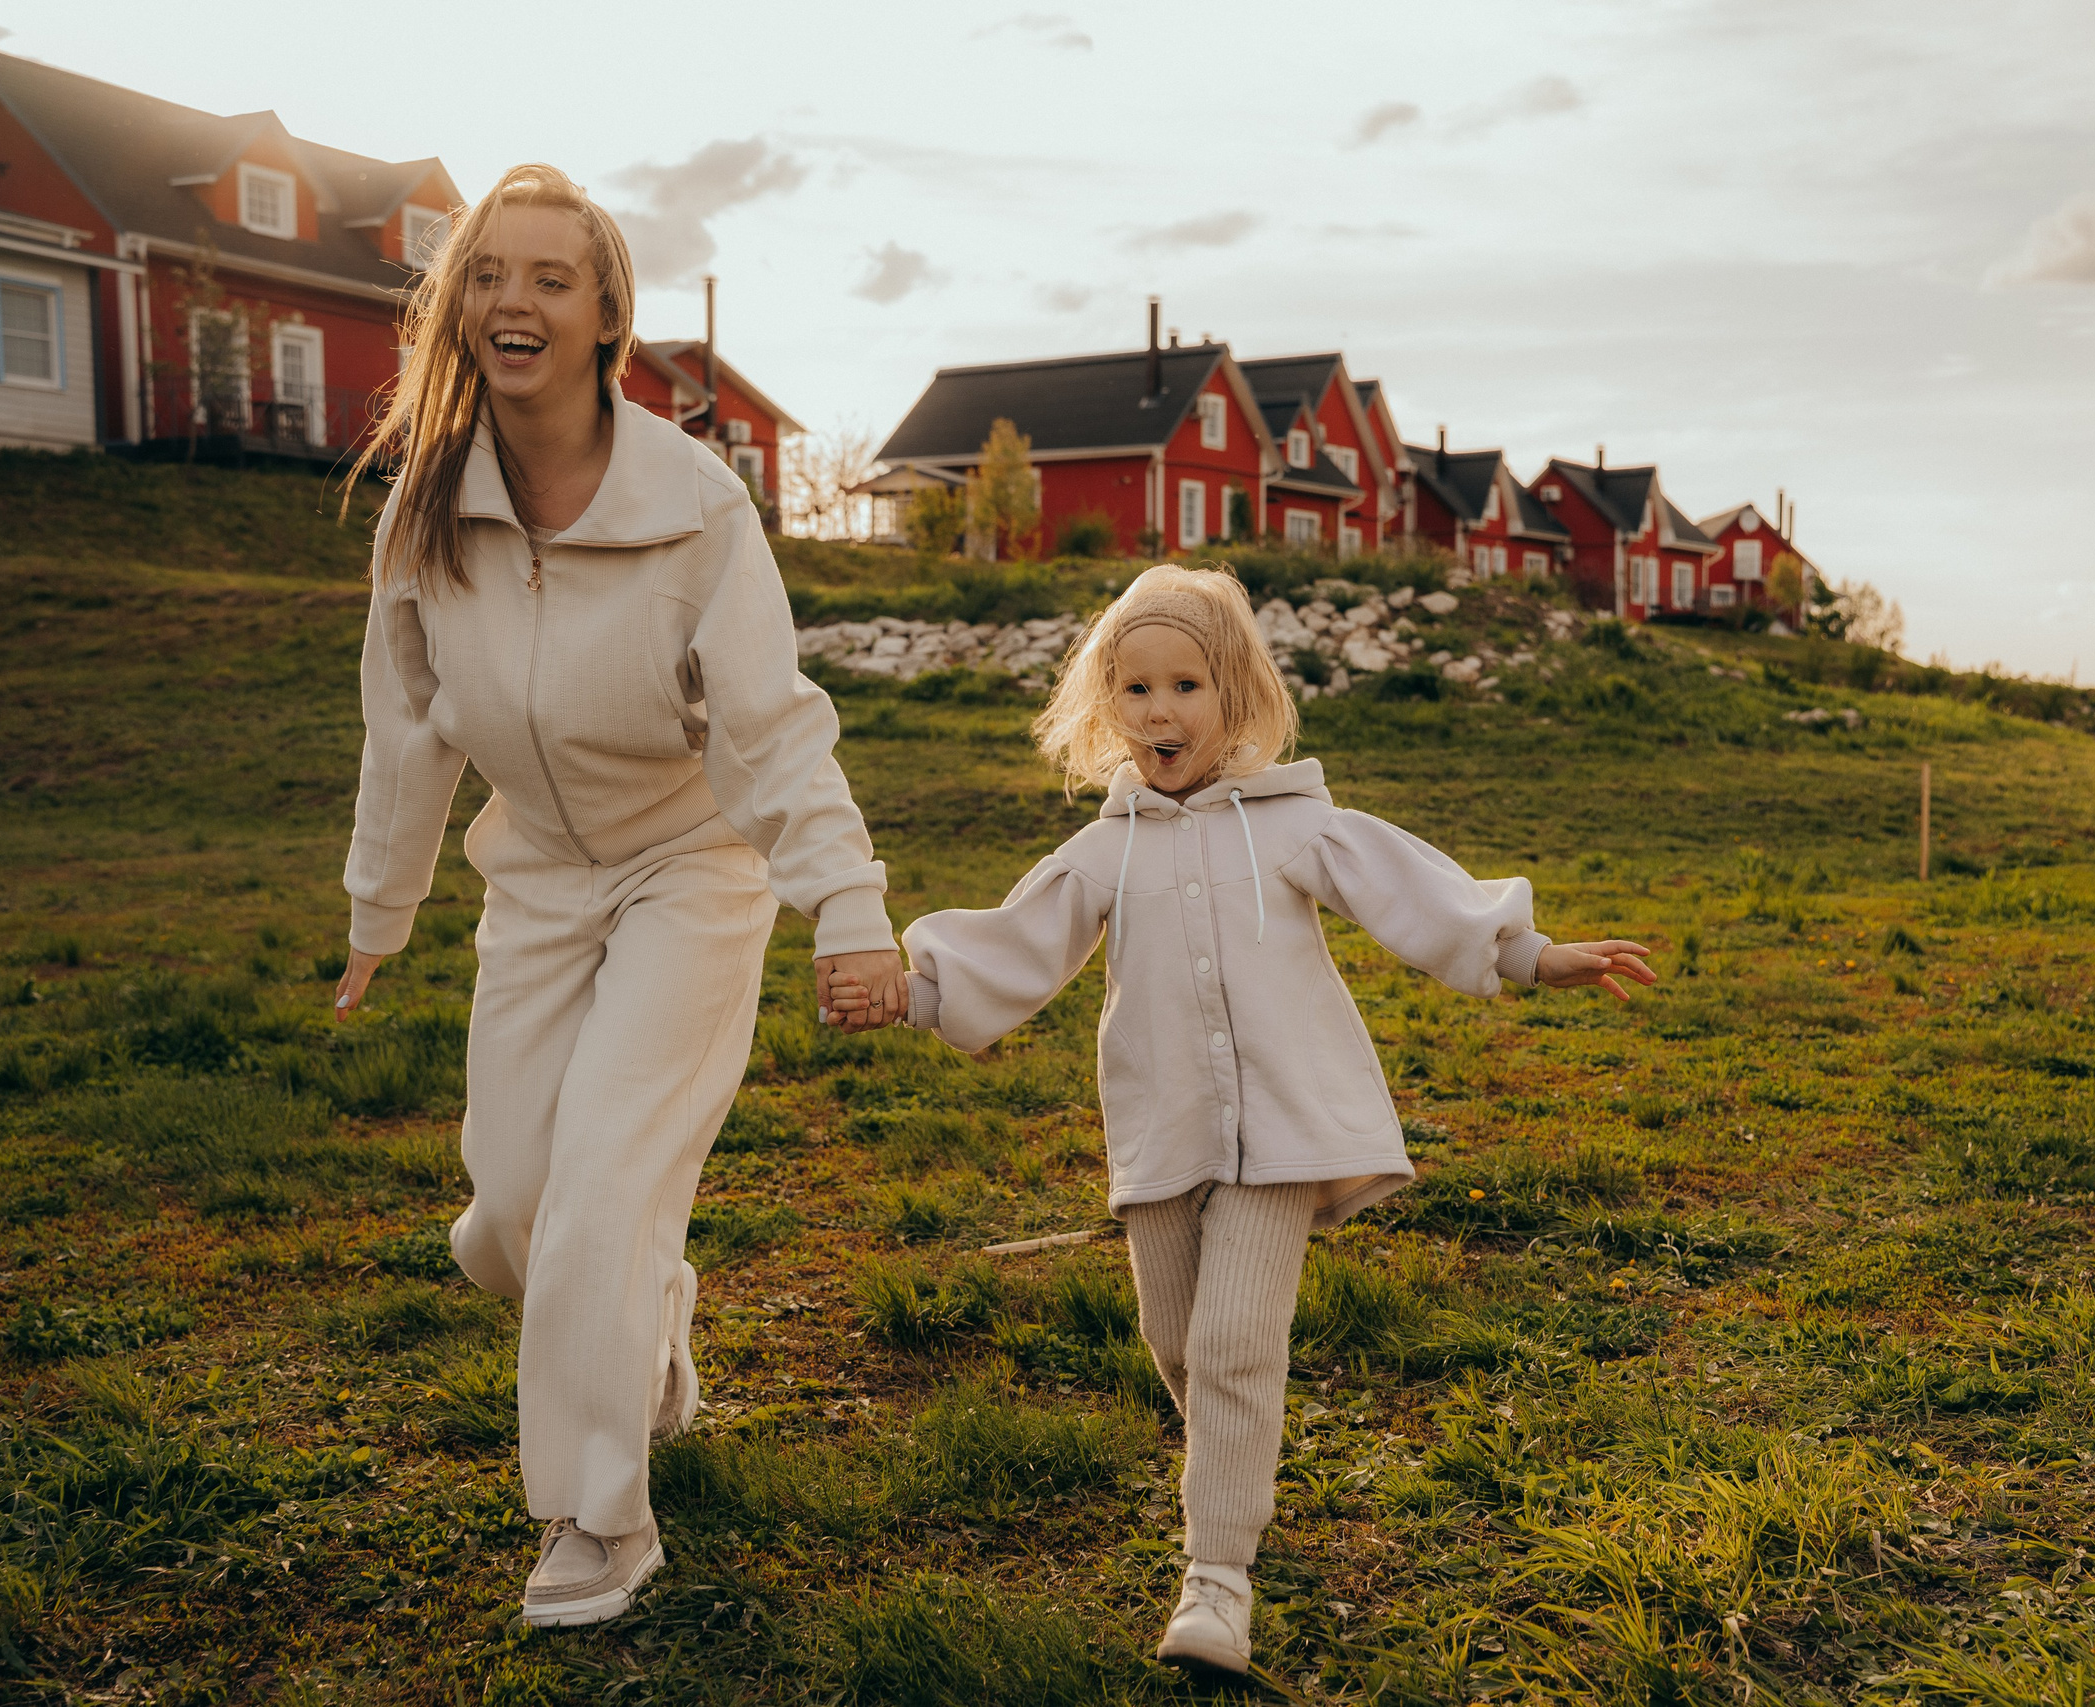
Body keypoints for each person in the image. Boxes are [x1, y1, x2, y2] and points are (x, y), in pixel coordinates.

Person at [841, 564, 1652, 1679]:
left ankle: (1216, 1581)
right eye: (1134, 690)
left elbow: (1416, 895)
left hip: (1284, 1130)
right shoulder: (1104, 848)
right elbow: (1015, 945)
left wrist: (1532, 955)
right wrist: (909, 990)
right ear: (1105, 705)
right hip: (1162, 1127)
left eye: (1185, 684)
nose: (1159, 711)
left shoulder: (1297, 825)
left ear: (1235, 696)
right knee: (1175, 1342)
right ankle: (1235, 1462)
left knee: (1231, 1345)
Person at [329, 163, 905, 1628]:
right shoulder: (427, 512)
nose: (512, 301)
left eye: (549, 279)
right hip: (535, 878)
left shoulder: (697, 508)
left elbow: (776, 726)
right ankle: (642, 1338)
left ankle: (599, 1514)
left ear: (604, 321)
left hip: (692, 869)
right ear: (456, 306)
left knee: (599, 1190)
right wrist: (379, 913)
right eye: (487, 274)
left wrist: (845, 906)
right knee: (516, 1203)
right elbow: (407, 725)